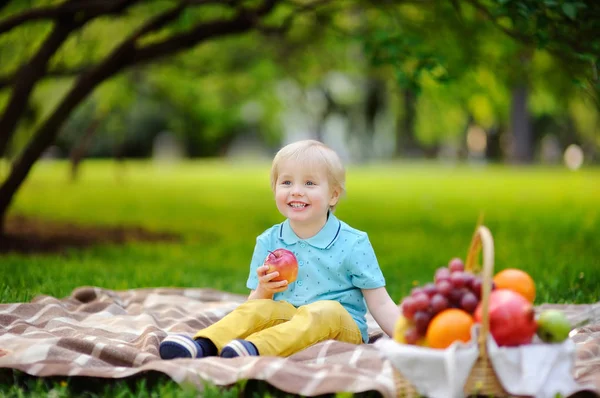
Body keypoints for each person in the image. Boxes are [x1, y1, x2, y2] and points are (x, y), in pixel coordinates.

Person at [159, 139, 400, 359]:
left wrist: (409, 337)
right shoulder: (269, 241)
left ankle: (255, 348)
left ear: (333, 195)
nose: (296, 190)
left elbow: (380, 303)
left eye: (309, 182)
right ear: (275, 189)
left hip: (340, 326)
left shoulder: (353, 243)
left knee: (326, 310)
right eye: (286, 182)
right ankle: (204, 344)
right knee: (260, 309)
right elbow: (256, 303)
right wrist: (264, 289)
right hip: (287, 319)